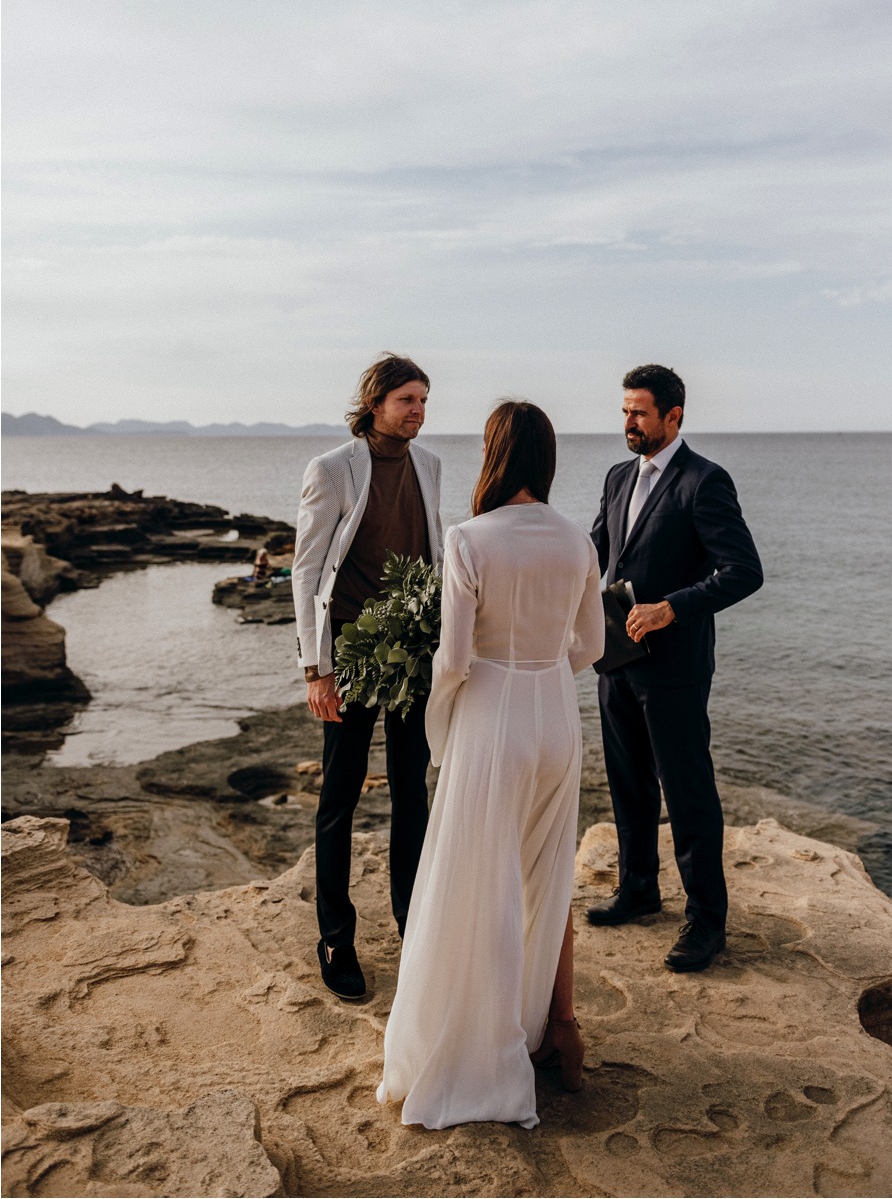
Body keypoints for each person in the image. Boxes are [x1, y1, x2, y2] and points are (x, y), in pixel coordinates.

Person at [377, 400, 604, 1127]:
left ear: (494, 454)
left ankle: (478, 1053)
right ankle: (536, 1029)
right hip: (557, 719)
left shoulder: (470, 539)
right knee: (545, 877)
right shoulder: (577, 541)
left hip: (493, 714)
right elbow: (591, 647)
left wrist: (446, 725)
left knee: (479, 884)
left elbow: (451, 658)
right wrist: (545, 670)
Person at [587, 364, 763, 974]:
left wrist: (672, 609)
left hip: (675, 668)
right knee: (628, 782)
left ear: (674, 417)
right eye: (625, 411)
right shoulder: (616, 477)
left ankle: (706, 921)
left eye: (639, 412)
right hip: (615, 659)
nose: (628, 423)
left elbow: (743, 570)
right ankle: (638, 889)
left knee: (687, 793)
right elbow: (596, 554)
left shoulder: (704, 481)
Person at [292, 352, 443, 1002]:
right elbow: (306, 571)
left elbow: (438, 555)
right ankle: (335, 937)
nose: (418, 410)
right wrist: (315, 669)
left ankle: (415, 928)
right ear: (376, 401)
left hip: (414, 653)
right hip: (351, 653)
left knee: (414, 794)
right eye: (408, 398)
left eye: (424, 400)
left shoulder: (430, 465)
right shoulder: (332, 469)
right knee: (340, 799)